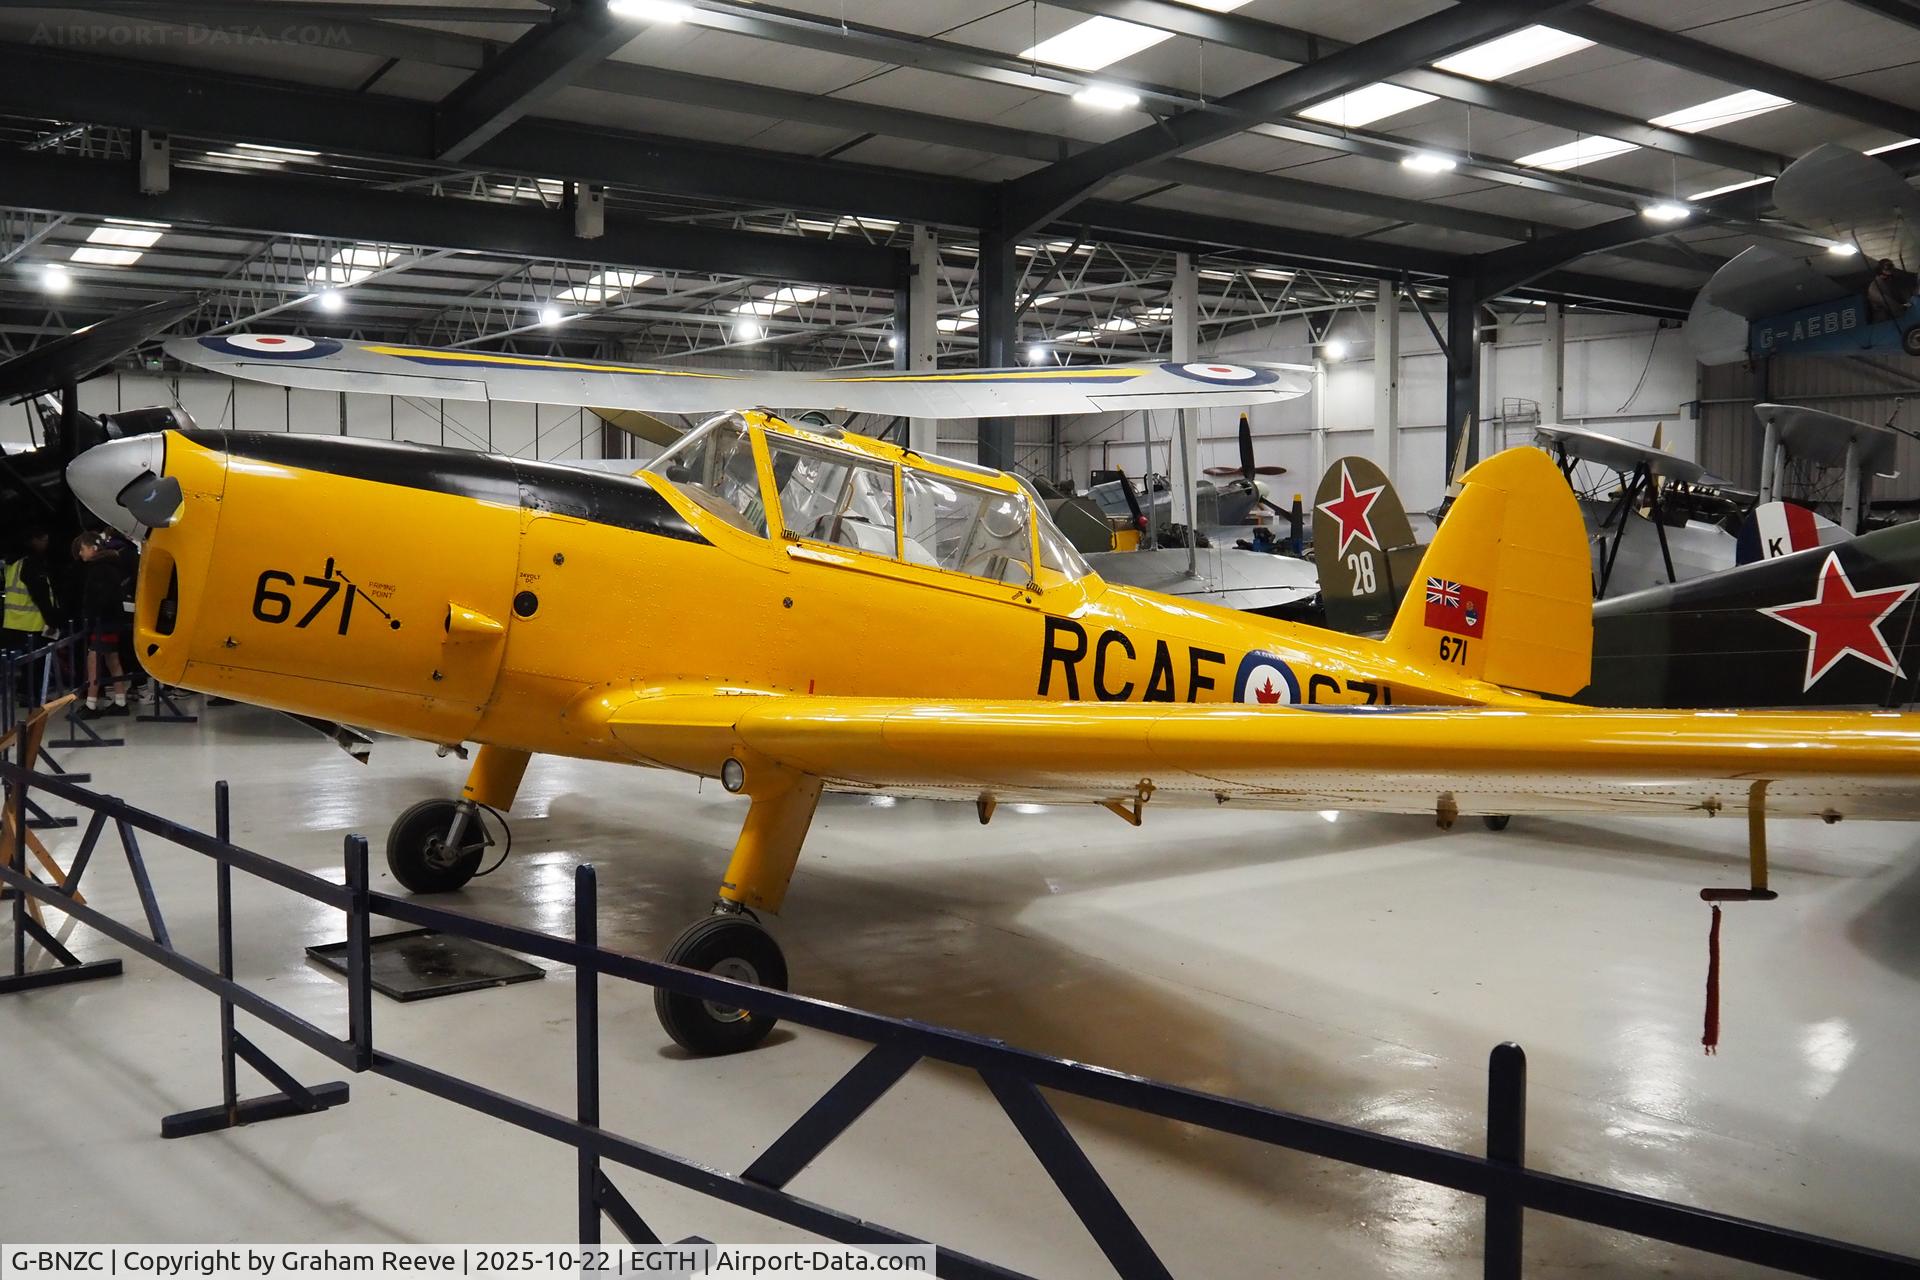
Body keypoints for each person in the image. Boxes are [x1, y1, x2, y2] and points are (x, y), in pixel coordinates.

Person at [71, 531, 134, 717]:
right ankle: (120, 701)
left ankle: (90, 704)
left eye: (82, 550)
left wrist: (90, 615)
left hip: (102, 621)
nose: (81, 554)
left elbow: (98, 598)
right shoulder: (112, 565)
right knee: (112, 659)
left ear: (92, 548)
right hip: (112, 620)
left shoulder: (98, 569)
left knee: (94, 659)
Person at [1866, 258, 1916, 323]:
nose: (1891, 269)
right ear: (1880, 270)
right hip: (1885, 318)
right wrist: (1906, 310)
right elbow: (1890, 304)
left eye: (1891, 266)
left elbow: (1902, 292)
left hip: (1897, 308)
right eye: (1887, 267)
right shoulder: (1875, 288)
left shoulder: (1891, 279)